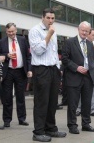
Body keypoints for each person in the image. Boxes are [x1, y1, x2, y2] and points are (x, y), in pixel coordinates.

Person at [29, 8, 66, 142]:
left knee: (52, 101)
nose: (50, 20)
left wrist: (57, 67)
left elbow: (54, 51)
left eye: (52, 18)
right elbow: (38, 50)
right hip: (41, 69)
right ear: (42, 17)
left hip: (53, 69)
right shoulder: (34, 31)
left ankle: (50, 128)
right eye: (48, 18)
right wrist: (49, 34)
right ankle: (38, 132)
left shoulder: (53, 31)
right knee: (41, 101)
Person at [62, 21, 94, 134]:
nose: (84, 32)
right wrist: (76, 67)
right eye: (82, 30)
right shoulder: (69, 42)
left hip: (88, 77)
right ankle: (72, 125)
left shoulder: (90, 43)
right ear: (78, 29)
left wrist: (93, 71)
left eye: (86, 31)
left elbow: (92, 59)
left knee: (87, 102)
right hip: (74, 76)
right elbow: (65, 59)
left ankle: (86, 124)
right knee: (73, 103)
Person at [0, 23, 31, 128]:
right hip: (7, 72)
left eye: (13, 31)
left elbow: (28, 56)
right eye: (9, 32)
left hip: (20, 71)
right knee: (7, 97)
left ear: (16, 30)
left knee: (20, 96)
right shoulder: (1, 42)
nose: (11, 34)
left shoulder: (22, 40)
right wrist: (6, 56)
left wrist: (29, 69)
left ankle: (22, 119)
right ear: (6, 31)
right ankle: (7, 120)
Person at [76, 29, 94, 117]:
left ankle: (92, 109)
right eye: (93, 35)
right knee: (82, 91)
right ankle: (79, 109)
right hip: (85, 71)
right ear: (88, 34)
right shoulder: (80, 43)